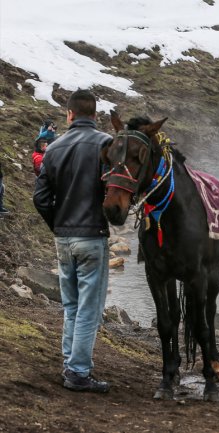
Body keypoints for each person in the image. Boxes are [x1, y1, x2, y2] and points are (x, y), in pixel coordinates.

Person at [33, 89, 113, 393]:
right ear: (95, 114)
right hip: (92, 235)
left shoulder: (53, 148)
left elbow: (40, 198)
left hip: (63, 237)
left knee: (71, 304)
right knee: (89, 308)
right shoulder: (105, 144)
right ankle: (78, 373)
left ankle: (71, 364)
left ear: (69, 114)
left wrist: (59, 225)